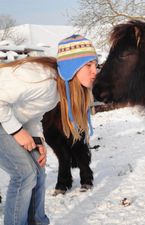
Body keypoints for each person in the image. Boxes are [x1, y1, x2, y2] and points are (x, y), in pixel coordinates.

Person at [0, 34, 97, 225]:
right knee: (24, 174)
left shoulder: (58, 89)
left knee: (38, 170)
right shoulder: (42, 78)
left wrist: (36, 138)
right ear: (73, 67)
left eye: (96, 64)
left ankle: (37, 222)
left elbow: (32, 112)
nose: (95, 71)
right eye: (88, 65)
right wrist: (18, 132)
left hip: (6, 118)